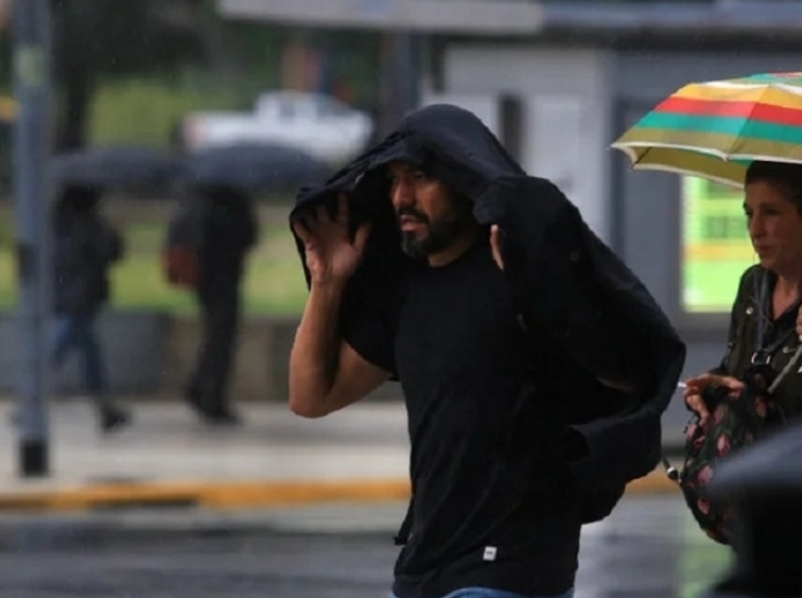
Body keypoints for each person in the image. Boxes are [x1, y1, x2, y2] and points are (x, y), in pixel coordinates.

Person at [289, 104, 685, 598]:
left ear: (462, 179)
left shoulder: (520, 269)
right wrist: (327, 282)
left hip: (511, 567)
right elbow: (311, 397)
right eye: (393, 181)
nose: (402, 197)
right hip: (424, 566)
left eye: (419, 178)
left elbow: (625, 373)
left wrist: (542, 290)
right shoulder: (407, 292)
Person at [681, 160, 802, 540]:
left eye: (771, 212)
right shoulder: (753, 287)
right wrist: (715, 387)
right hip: (756, 498)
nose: (755, 230)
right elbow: (743, 369)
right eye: (749, 213)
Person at [51, 184, 129, 432]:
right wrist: (115, 233)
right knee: (60, 348)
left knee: (90, 354)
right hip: (84, 296)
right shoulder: (91, 225)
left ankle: (105, 409)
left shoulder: (55, 223)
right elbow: (111, 252)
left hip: (62, 293)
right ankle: (28, 400)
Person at [185, 185, 258, 425]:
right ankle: (209, 396)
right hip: (226, 279)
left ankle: (200, 387)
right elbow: (249, 237)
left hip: (206, 279)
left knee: (215, 336)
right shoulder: (235, 206)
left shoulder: (199, 202)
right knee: (221, 339)